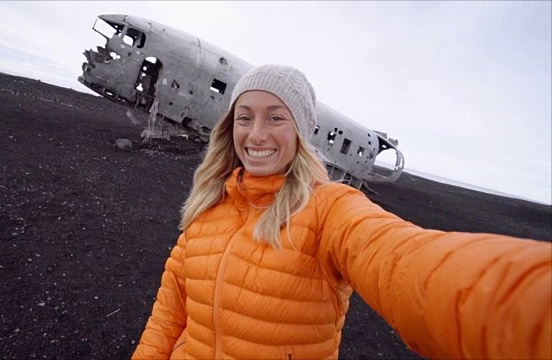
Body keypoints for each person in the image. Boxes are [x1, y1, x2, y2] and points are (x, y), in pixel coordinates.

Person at [132, 65, 551, 359]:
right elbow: (170, 312)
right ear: (230, 128)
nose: (256, 134)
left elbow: (406, 264)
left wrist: (527, 311)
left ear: (300, 130)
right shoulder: (209, 205)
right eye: (245, 118)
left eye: (276, 117)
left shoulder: (330, 207)